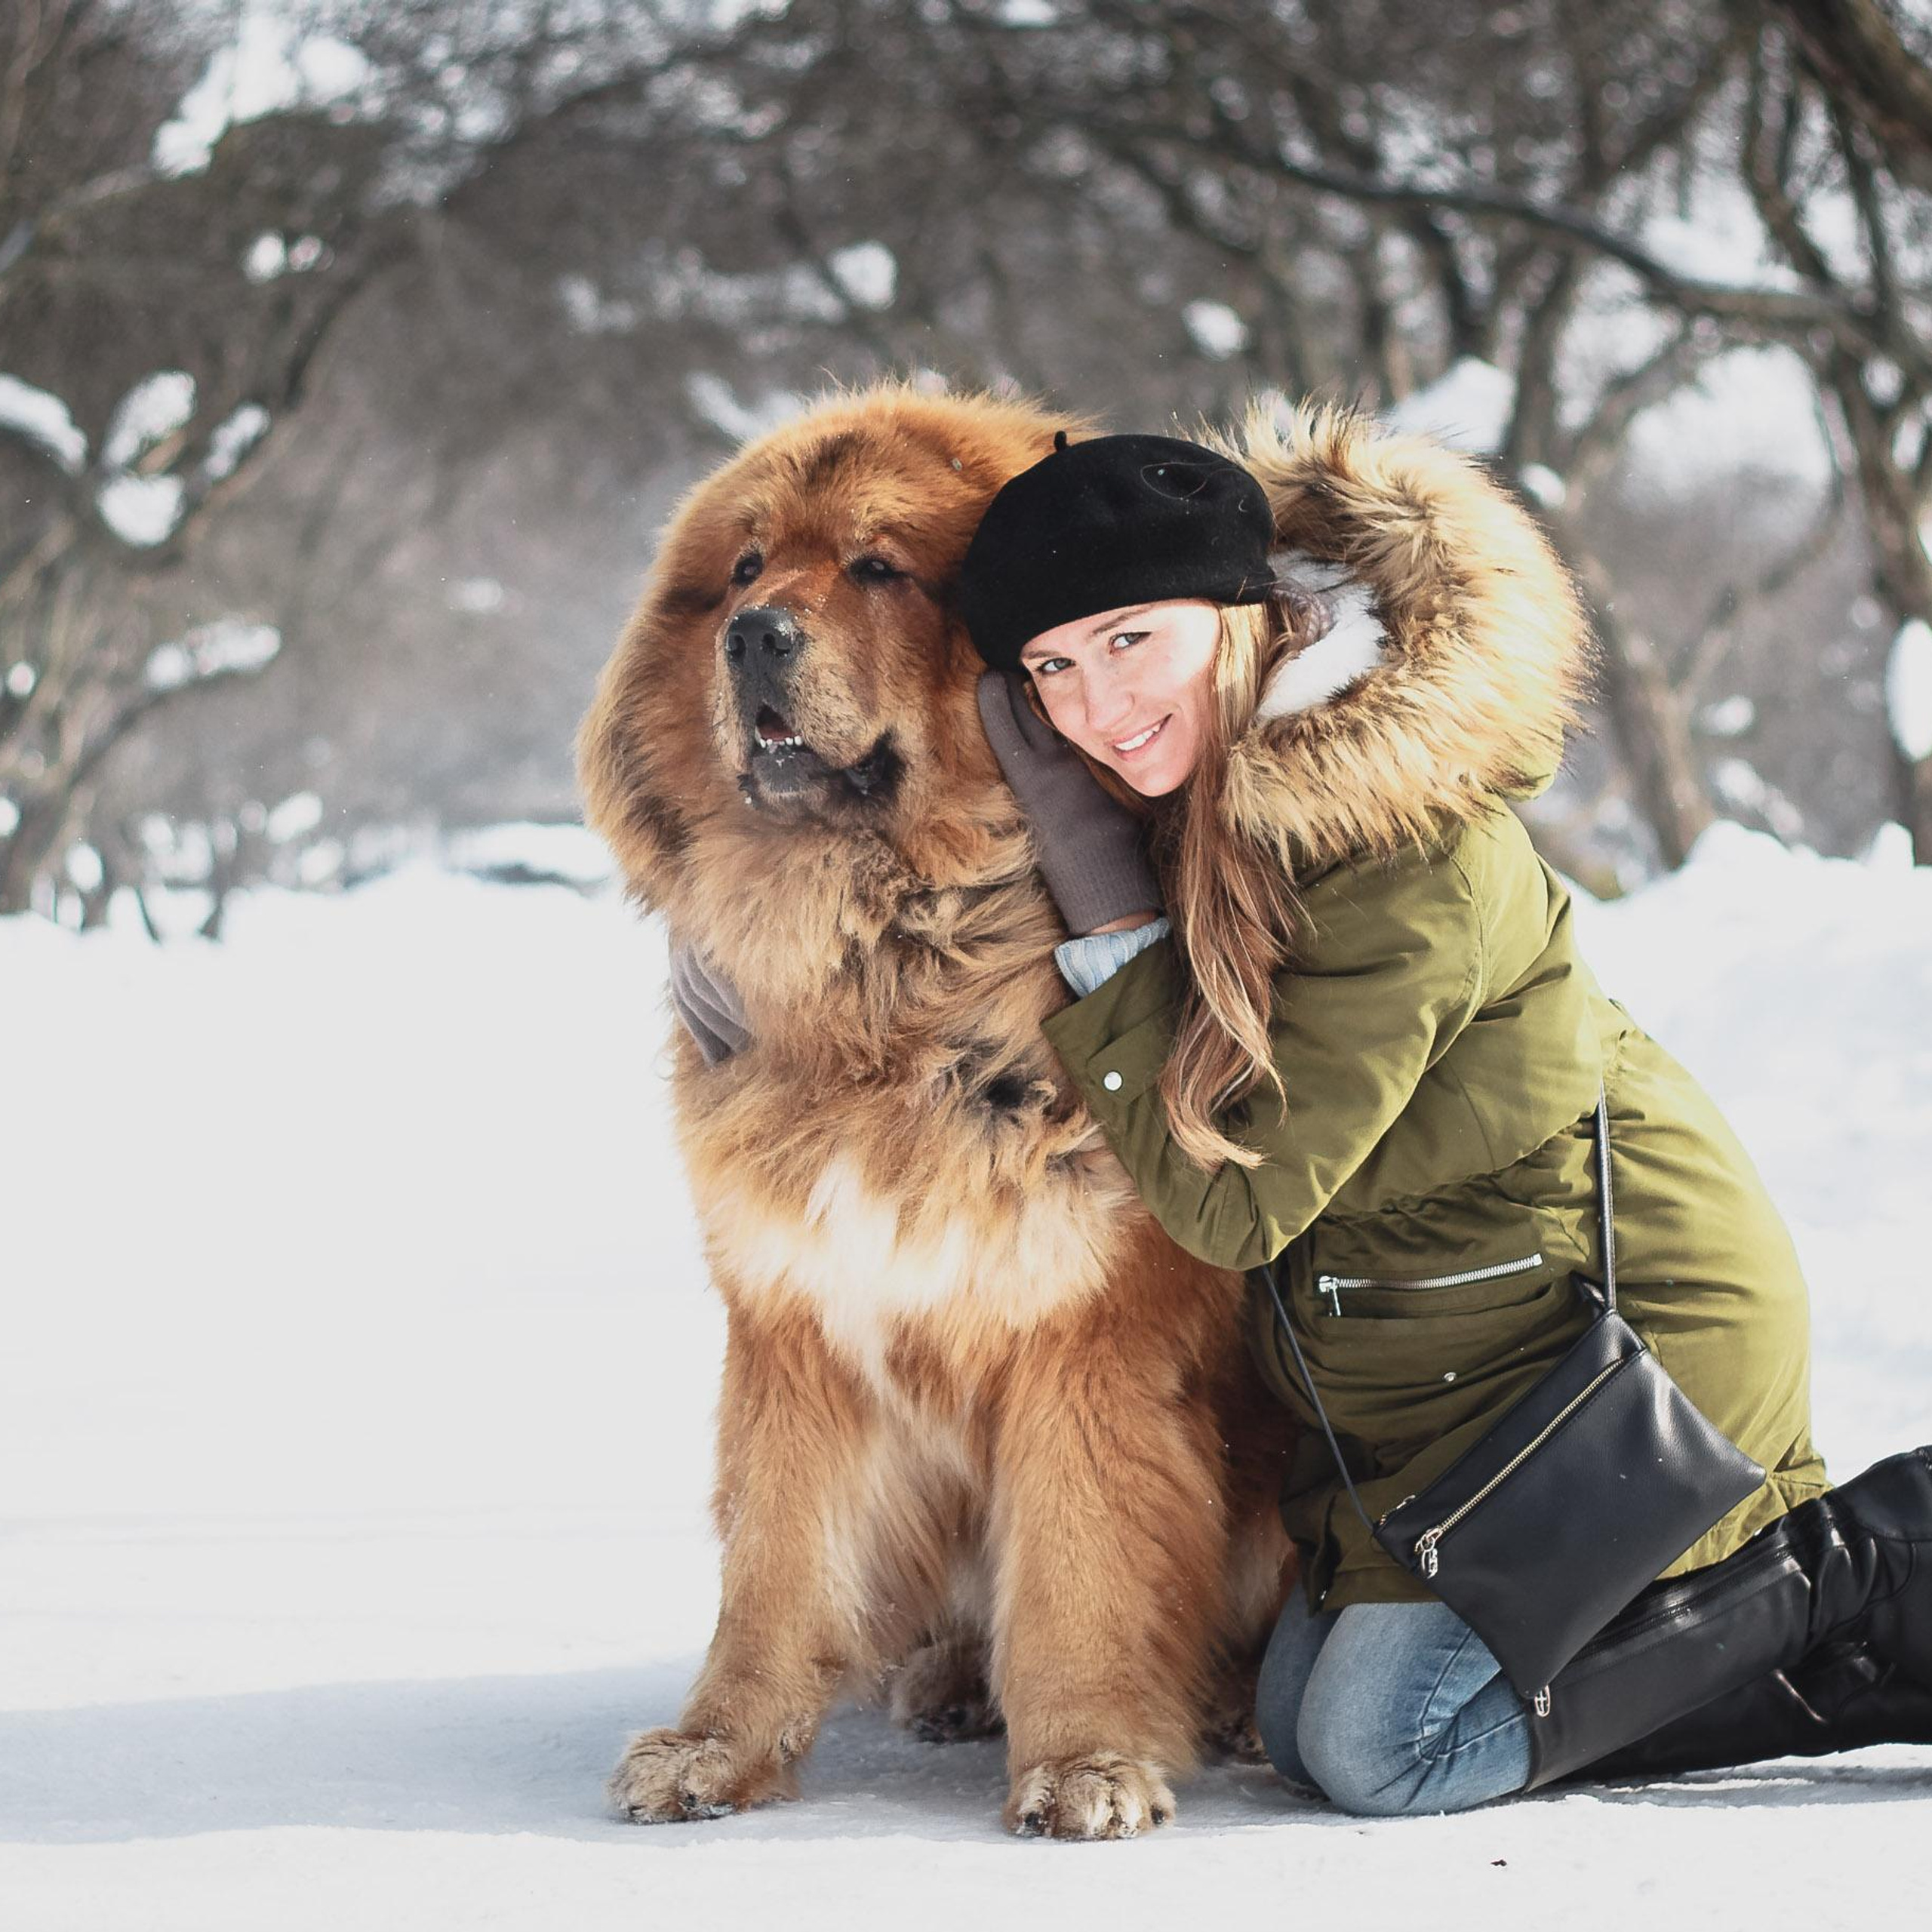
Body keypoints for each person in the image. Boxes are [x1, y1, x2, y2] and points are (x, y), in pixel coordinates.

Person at [669, 407, 1932, 1817]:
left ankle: (1872, 1576)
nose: (1096, 700)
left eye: (1131, 640)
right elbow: (919, 880)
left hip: (1599, 1360)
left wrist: (1084, 865)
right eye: (1053, 668)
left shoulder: (1400, 850)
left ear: (1248, 612)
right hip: (1405, 1397)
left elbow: (1230, 1198)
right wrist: (733, 936)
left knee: (1386, 1746)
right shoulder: (1172, 776)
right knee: (1285, 1710)